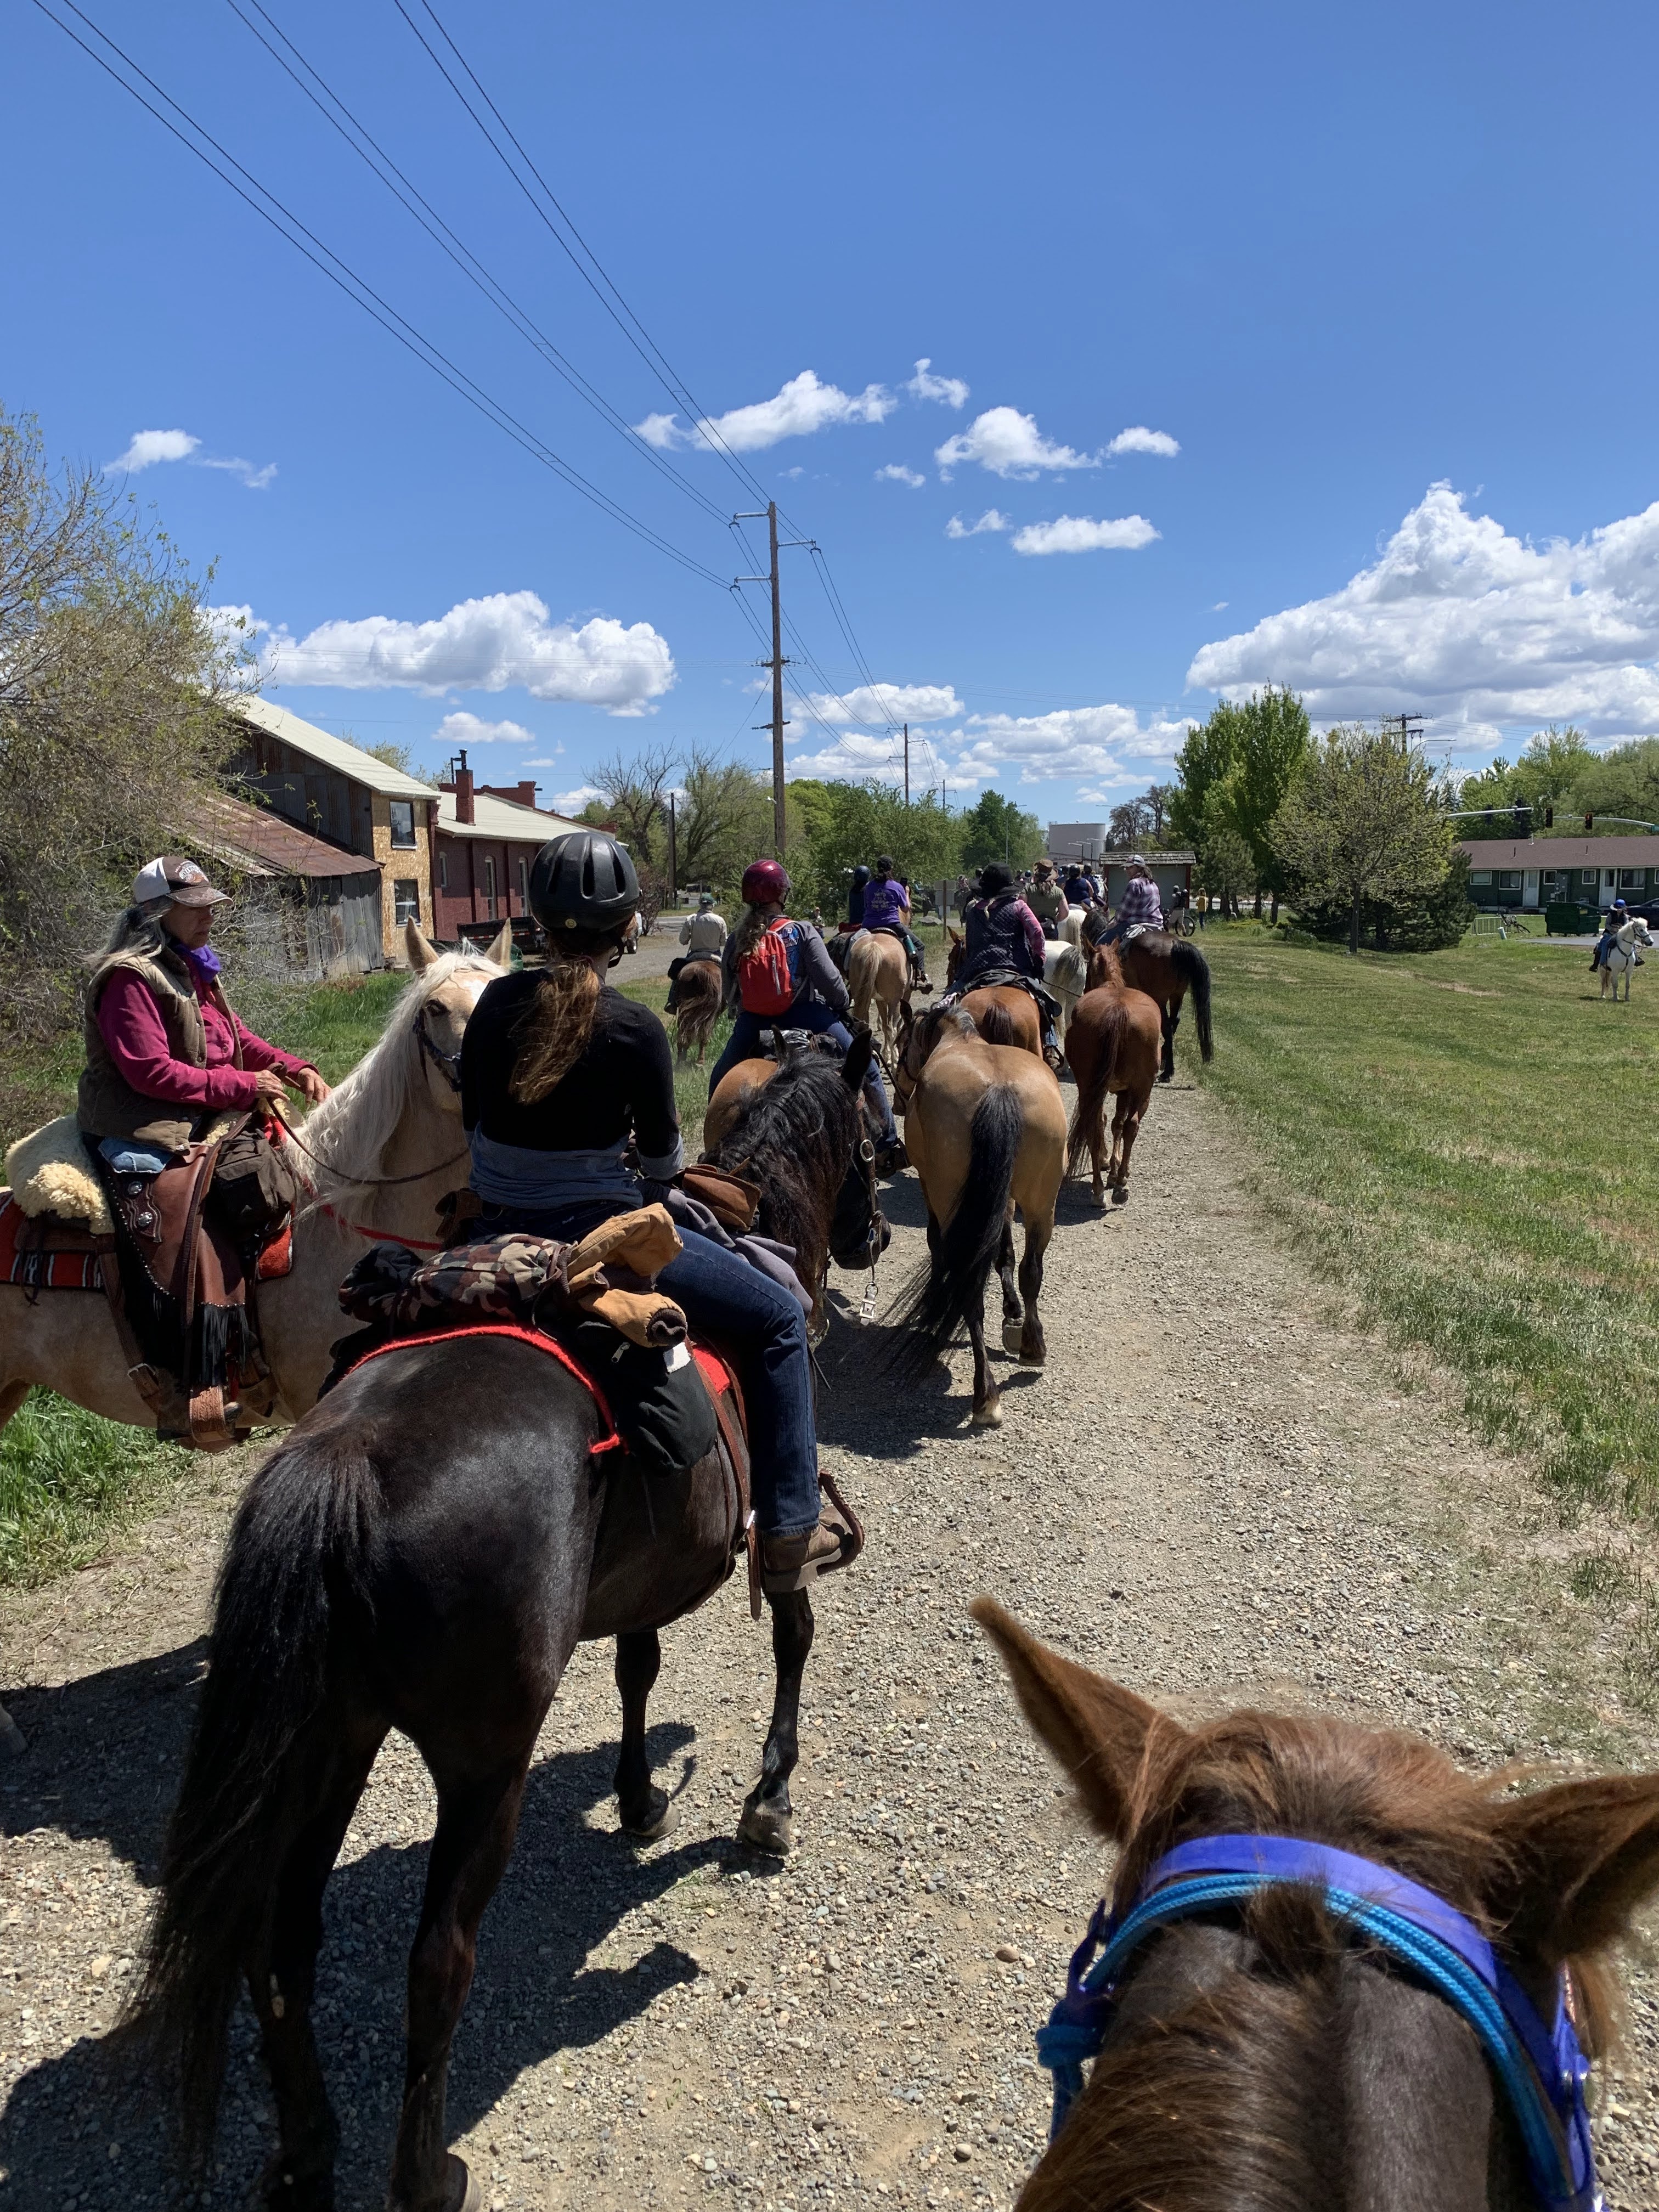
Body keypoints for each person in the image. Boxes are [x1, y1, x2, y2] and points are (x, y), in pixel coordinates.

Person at [459, 831, 854, 1590]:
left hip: (493, 1229)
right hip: (597, 1237)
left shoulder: (493, 1007)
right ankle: (790, 1529)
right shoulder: (634, 1028)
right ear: (626, 929)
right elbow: (669, 1164)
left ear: (538, 922)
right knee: (779, 1317)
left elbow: (473, 1125)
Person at [78, 854, 330, 1178]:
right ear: (157, 912)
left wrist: (296, 1069)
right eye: (195, 908)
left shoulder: (192, 965)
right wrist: (246, 1083)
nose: (209, 917)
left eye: (210, 907)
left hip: (197, 1110)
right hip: (144, 1124)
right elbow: (152, 1072)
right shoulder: (130, 979)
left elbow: (236, 1038)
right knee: (243, 1187)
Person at [709, 860, 905, 1167]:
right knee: (866, 1065)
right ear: (782, 894)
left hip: (753, 1023)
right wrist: (841, 1004)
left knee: (720, 1078)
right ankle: (887, 1144)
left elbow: (730, 996)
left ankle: (712, 1150)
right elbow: (835, 990)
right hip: (808, 1015)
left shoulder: (736, 939)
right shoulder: (801, 931)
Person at [953, 862, 1062, 1067]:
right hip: (1015, 969)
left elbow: (971, 943)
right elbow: (1037, 933)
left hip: (977, 970)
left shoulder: (973, 910)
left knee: (944, 1006)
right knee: (1044, 1004)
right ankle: (1050, 1047)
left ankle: (932, 1052)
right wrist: (1039, 960)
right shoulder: (1019, 906)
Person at [862, 855, 932, 992]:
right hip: (891, 924)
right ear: (891, 869)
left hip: (868, 926)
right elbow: (905, 909)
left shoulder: (869, 886)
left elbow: (866, 905)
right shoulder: (897, 886)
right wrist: (906, 893)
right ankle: (919, 976)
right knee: (919, 946)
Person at [665, 891, 727, 1011]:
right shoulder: (720, 920)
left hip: (695, 955)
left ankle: (672, 1002)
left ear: (700, 904)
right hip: (714, 955)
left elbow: (683, 940)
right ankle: (730, 1002)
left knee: (677, 976)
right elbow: (723, 942)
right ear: (712, 905)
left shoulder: (691, 919)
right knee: (728, 975)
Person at [1092, 855, 1164, 949]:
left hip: (1137, 922)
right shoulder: (1153, 884)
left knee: (1100, 944)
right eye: (1127, 868)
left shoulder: (1134, 883)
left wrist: (1116, 921)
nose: (1127, 870)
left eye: (1131, 867)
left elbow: (1125, 911)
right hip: (1157, 923)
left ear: (1139, 868)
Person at [1027, 859, 1068, 939]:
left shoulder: (1028, 889)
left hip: (1032, 929)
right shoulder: (1058, 891)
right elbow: (1065, 912)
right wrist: (1056, 920)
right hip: (1051, 929)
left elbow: (1020, 909)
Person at [1592, 898, 1629, 971]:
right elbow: (1607, 925)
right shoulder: (1610, 915)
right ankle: (1600, 964)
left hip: (1621, 935)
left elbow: (1626, 926)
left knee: (1631, 944)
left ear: (1623, 909)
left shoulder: (1625, 917)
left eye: (1620, 909)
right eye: (1617, 908)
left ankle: (1637, 960)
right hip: (1609, 933)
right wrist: (1612, 929)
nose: (1618, 910)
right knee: (1603, 944)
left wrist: (1620, 931)